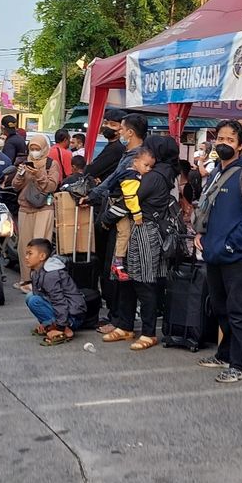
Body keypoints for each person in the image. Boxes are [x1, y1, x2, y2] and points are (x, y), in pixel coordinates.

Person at [195, 120, 242, 383]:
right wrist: (201, 234)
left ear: (239, 146)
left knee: (240, 311)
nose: (223, 144)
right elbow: (208, 209)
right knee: (220, 308)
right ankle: (225, 354)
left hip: (240, 257)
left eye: (229, 140)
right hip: (214, 254)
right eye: (220, 139)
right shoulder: (215, 173)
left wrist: (231, 244)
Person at [103, 135, 179, 351]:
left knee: (144, 283)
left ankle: (148, 332)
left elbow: (131, 199)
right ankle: (125, 325)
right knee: (127, 279)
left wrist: (107, 219)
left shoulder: (155, 176)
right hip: (139, 230)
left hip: (145, 231)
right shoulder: (160, 172)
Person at [86, 112, 147, 330]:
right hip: (113, 213)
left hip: (123, 218)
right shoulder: (128, 154)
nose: (118, 131)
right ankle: (115, 315)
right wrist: (92, 195)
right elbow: (111, 181)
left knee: (117, 268)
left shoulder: (137, 158)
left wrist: (105, 210)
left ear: (130, 132)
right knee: (111, 267)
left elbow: (121, 188)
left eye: (120, 127)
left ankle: (119, 318)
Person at [21, 238, 87, 346]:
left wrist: (60, 326)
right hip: (65, 314)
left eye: (30, 254)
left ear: (42, 256)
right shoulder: (37, 271)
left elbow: (59, 301)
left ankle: (64, 329)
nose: (26, 257)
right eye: (26, 253)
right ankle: (50, 325)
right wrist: (45, 323)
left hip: (73, 317)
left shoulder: (51, 274)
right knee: (30, 296)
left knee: (34, 301)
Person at [107, 147, 155, 282]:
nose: (148, 169)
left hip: (118, 206)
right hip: (119, 208)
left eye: (150, 167)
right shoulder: (131, 177)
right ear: (135, 162)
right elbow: (130, 198)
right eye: (146, 165)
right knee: (124, 233)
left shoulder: (130, 174)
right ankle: (118, 265)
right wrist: (137, 214)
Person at [12, 134, 62, 263]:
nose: (34, 152)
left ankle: (39, 279)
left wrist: (38, 174)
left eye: (37, 148)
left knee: (40, 246)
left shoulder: (51, 164)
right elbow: (15, 186)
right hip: (25, 207)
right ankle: (26, 279)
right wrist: (20, 174)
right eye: (32, 148)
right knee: (24, 246)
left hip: (44, 208)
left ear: (44, 148)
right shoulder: (24, 163)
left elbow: (51, 186)